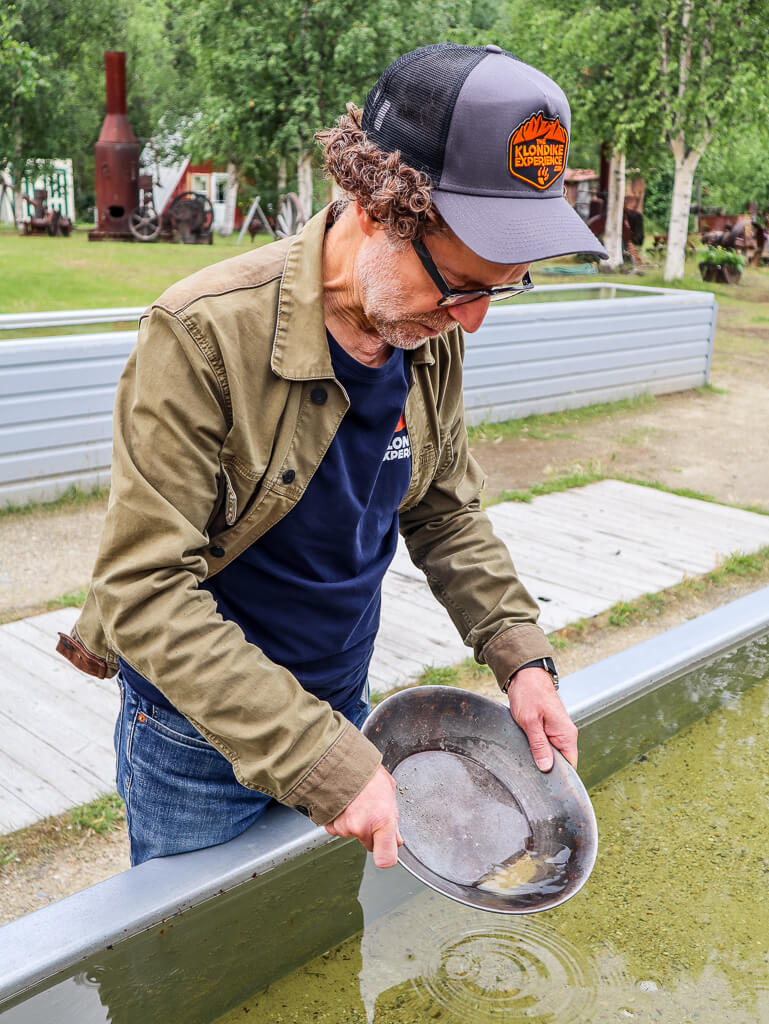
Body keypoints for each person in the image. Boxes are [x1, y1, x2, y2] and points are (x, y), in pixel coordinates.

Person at [56, 43, 607, 870]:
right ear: (374, 205)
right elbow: (142, 589)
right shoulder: (201, 335)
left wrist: (520, 654)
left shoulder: (430, 331)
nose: (474, 321)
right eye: (461, 285)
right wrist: (324, 761)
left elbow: (444, 510)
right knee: (199, 970)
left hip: (343, 699)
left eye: (502, 286)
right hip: (195, 738)